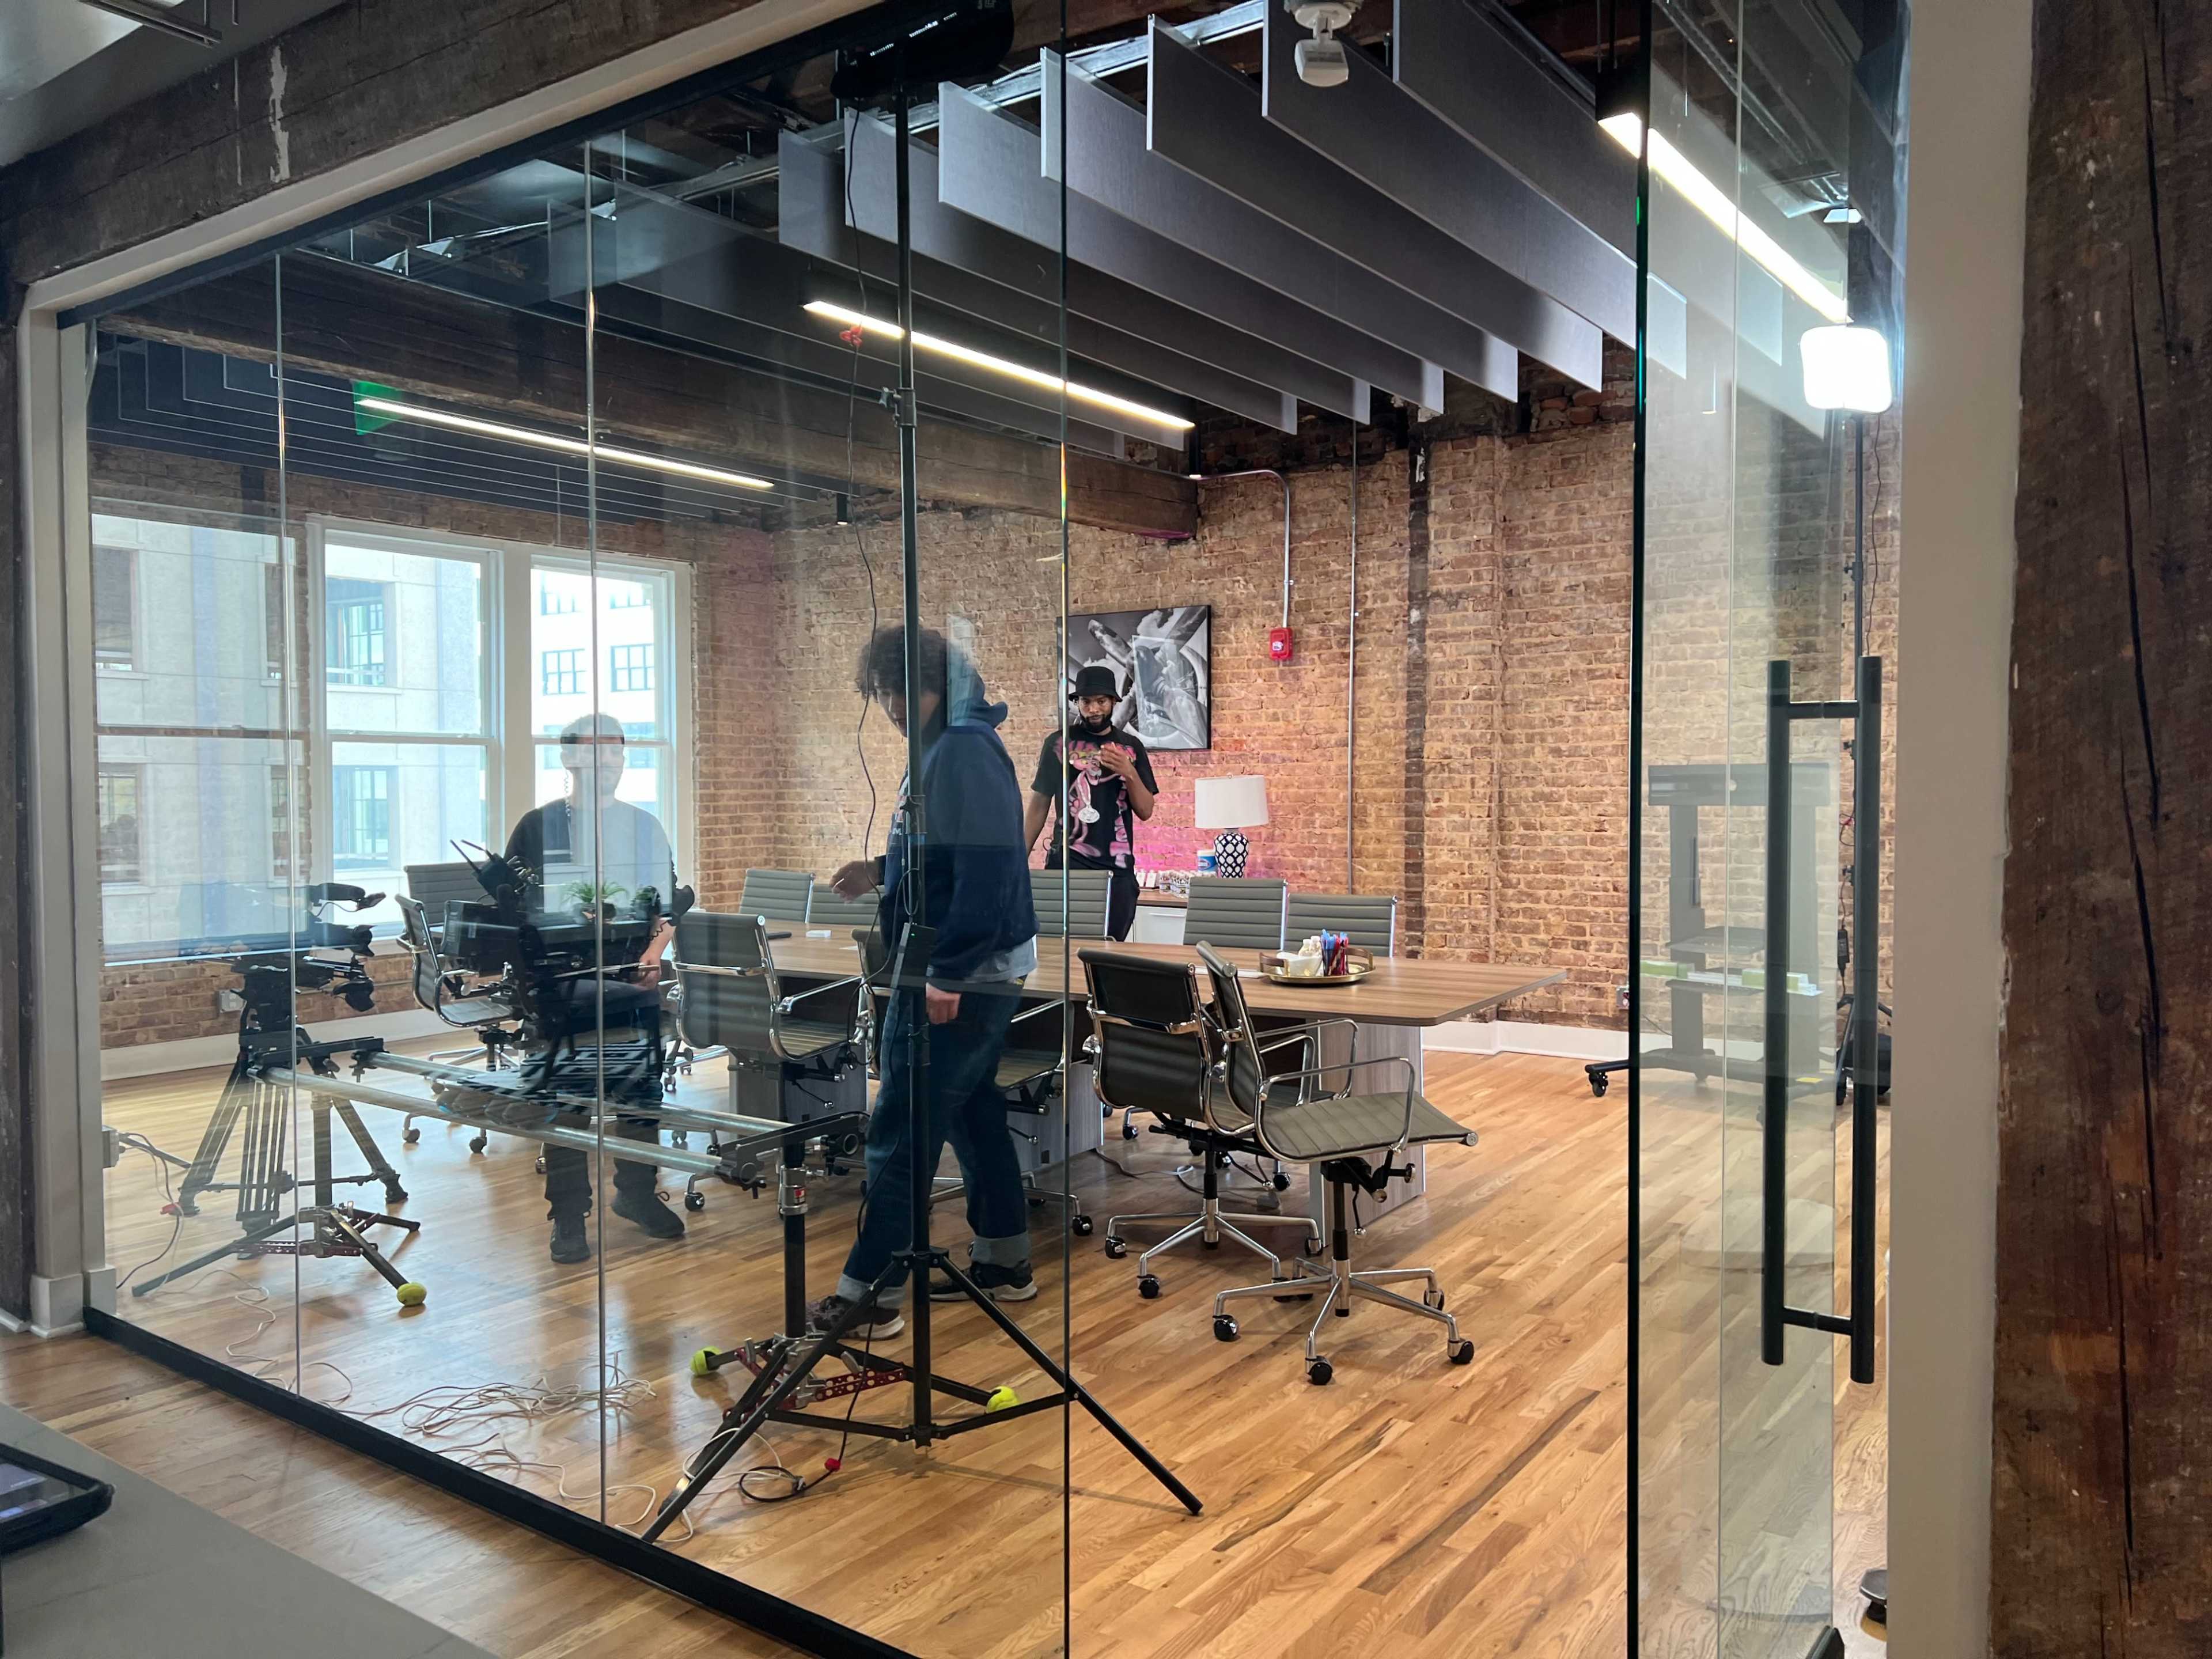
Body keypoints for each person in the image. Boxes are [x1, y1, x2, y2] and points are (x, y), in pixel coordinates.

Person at [815, 626, 1040, 1338]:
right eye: (879, 692)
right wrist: (882, 872)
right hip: (963, 964)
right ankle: (1005, 1261)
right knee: (973, 1116)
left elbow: (992, 872)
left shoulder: (966, 748)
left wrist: (950, 970)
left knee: (902, 1127)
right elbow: (942, 855)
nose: (887, 706)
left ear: (934, 680)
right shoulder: (944, 747)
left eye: (895, 689)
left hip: (960, 971)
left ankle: (870, 1295)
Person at [502, 713, 685, 1264]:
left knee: (640, 1096)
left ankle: (635, 1194)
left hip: (634, 982)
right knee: (566, 1104)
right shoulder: (537, 827)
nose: (608, 762)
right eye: (595, 751)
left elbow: (668, 905)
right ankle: (568, 1216)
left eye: (616, 752)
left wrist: (654, 957)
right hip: (563, 986)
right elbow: (512, 913)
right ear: (568, 759)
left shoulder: (644, 826)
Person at [1024, 664, 1158, 940]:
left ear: (1113, 702)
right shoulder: (1058, 743)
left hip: (1118, 868)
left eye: (1101, 701)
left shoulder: (1131, 746)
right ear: (1077, 703)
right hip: (1067, 864)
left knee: (1109, 953)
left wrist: (1129, 771)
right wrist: (1017, 860)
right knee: (1058, 951)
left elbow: (1145, 811)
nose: (1094, 709)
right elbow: (1039, 805)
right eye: (1086, 702)